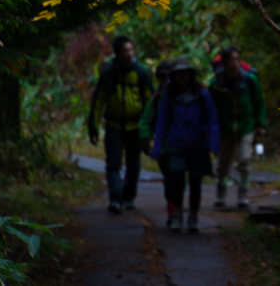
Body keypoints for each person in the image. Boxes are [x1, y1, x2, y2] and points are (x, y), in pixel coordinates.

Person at [152, 58, 219, 233]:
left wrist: (213, 144)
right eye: (179, 73)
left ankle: (193, 216)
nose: (183, 76)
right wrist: (157, 147)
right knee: (177, 179)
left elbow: (213, 119)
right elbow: (162, 122)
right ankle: (177, 215)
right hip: (177, 143)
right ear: (174, 76)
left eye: (185, 73)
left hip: (199, 145)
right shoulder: (169, 96)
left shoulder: (202, 94)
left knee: (196, 181)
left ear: (191, 74)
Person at [88, 36, 153, 215]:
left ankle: (129, 197)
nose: (129, 54)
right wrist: (93, 125)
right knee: (113, 164)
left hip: (135, 125)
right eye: (125, 51)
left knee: (134, 164)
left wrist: (150, 128)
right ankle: (116, 199)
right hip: (114, 124)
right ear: (117, 53)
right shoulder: (110, 72)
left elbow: (150, 101)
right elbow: (99, 99)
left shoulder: (141, 72)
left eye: (131, 50)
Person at [210, 46, 267, 211]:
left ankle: (243, 193)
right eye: (231, 60)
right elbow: (210, 108)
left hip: (246, 126)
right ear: (224, 63)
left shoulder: (249, 80)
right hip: (225, 128)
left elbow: (259, 102)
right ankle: (221, 192)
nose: (234, 64)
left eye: (237, 59)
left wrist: (261, 124)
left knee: (244, 159)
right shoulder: (216, 85)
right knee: (223, 163)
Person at [139, 60, 175, 226]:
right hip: (164, 146)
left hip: (184, 144)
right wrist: (145, 139)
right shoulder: (156, 98)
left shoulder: (188, 94)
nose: (165, 81)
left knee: (179, 178)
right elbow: (146, 120)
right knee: (169, 179)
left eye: (167, 77)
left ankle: (178, 210)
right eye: (161, 77)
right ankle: (173, 210)